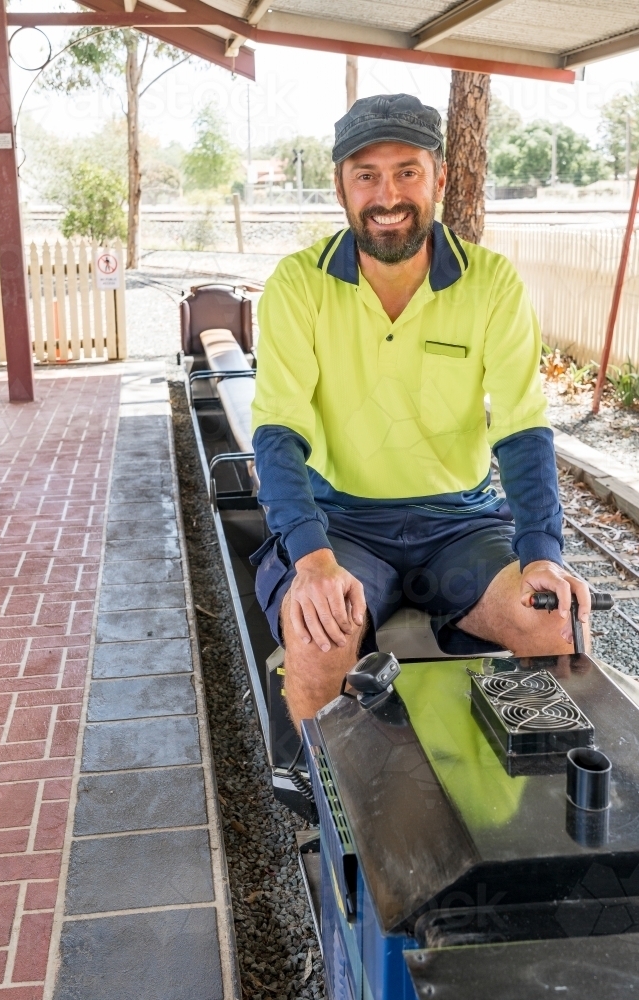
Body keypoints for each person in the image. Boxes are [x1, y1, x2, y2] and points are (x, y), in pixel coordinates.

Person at [250, 93, 591, 729]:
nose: (388, 196)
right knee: (320, 631)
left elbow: (521, 426)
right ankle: (329, 814)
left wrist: (543, 551)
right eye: (366, 175)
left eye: (407, 171)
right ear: (340, 187)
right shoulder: (299, 284)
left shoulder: (491, 282)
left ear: (439, 176)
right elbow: (278, 429)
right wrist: (312, 560)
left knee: (551, 612)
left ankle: (522, 811)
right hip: (341, 522)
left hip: (460, 524)